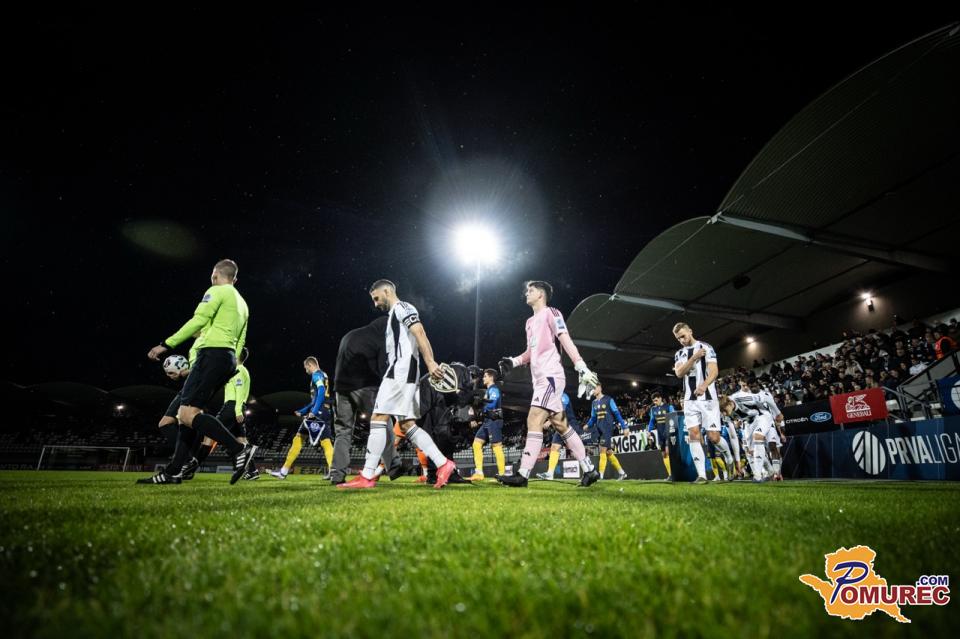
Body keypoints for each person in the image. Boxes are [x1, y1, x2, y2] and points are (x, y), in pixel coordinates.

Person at [140, 259, 255, 485]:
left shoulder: (216, 290)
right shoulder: (243, 303)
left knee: (186, 415)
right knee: (187, 416)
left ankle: (238, 448)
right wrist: (232, 365)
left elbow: (198, 320)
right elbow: (241, 339)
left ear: (215, 275)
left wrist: (166, 344)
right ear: (235, 278)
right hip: (227, 358)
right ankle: (173, 472)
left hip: (211, 354)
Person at [339, 280, 456, 489]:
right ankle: (443, 463)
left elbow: (420, 332)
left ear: (387, 291)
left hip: (400, 372)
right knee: (407, 425)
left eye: (376, 298)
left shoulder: (403, 307)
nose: (375, 304)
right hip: (405, 373)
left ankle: (367, 475)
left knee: (378, 418)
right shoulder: (395, 314)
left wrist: (430, 362)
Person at [497, 280, 600, 488]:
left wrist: (580, 365)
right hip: (540, 380)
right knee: (561, 425)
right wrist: (513, 361)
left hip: (550, 376)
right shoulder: (529, 322)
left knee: (534, 418)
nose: (527, 293)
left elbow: (564, 338)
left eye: (531, 290)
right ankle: (590, 470)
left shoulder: (552, 312)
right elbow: (530, 351)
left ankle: (523, 474)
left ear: (541, 295)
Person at [672, 322, 732, 484]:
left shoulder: (706, 347)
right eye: (678, 339)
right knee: (693, 434)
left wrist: (704, 385)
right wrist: (694, 358)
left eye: (683, 336)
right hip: (689, 400)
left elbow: (714, 371)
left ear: (690, 331)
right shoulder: (679, 354)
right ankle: (702, 475)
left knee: (713, 437)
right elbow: (679, 373)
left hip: (708, 398)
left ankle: (729, 457)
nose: (682, 340)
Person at [269, 357, 334, 479]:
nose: (305, 370)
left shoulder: (316, 375)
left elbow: (321, 391)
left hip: (318, 412)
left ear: (310, 365)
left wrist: (314, 411)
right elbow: (315, 399)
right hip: (325, 410)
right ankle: (333, 471)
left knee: (299, 438)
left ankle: (284, 471)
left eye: (306, 368)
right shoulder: (324, 374)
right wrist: (303, 410)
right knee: (326, 441)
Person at [583, 384, 628, 480]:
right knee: (608, 452)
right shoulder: (594, 403)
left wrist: (624, 427)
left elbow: (617, 414)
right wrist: (588, 425)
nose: (592, 390)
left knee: (602, 450)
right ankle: (622, 473)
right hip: (599, 429)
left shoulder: (609, 400)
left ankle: (600, 475)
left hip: (607, 428)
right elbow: (593, 417)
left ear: (599, 387)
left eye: (594, 388)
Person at [469, 369, 505, 481]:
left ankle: (502, 475)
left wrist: (481, 403)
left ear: (491, 377)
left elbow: (492, 404)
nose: (483, 378)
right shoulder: (488, 390)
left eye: (485, 376)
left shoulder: (494, 389)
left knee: (496, 446)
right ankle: (479, 473)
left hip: (494, 420)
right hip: (487, 421)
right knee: (476, 444)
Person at [646, 392, 676, 477]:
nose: (655, 402)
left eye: (656, 400)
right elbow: (652, 421)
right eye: (653, 401)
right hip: (660, 434)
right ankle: (670, 475)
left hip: (669, 432)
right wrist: (649, 431)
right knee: (664, 454)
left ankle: (674, 473)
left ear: (660, 398)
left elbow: (674, 417)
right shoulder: (653, 409)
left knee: (668, 451)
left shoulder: (668, 407)